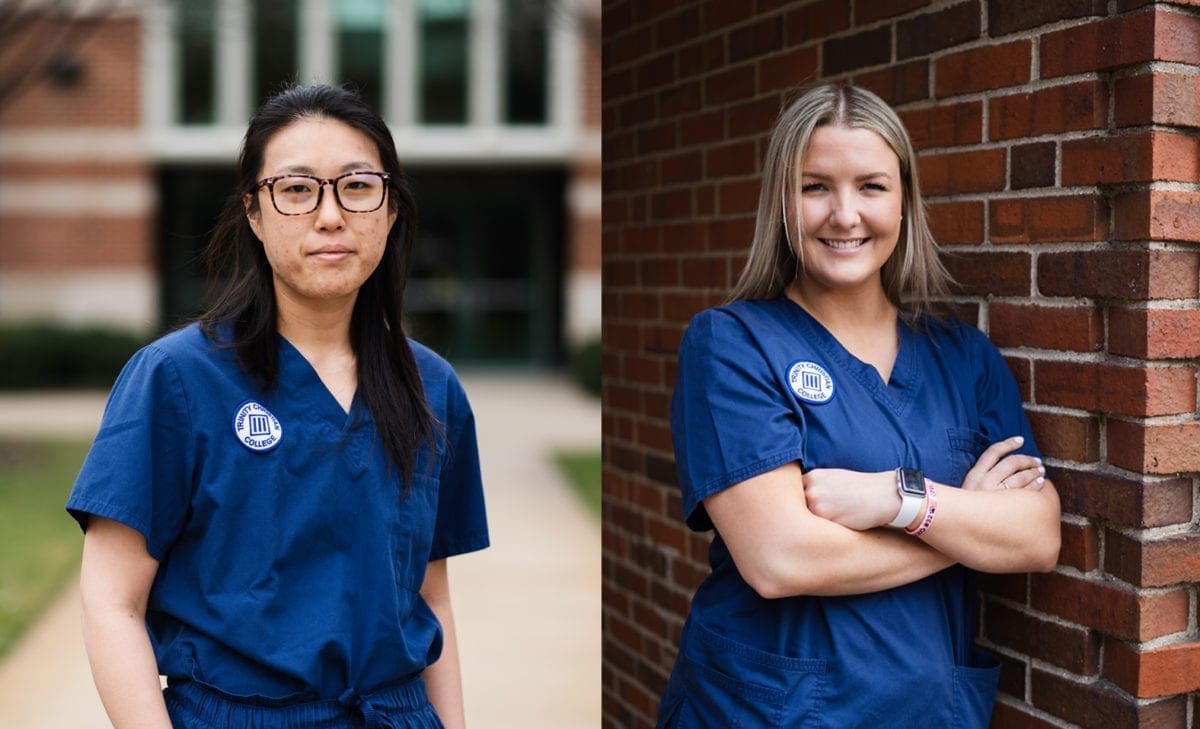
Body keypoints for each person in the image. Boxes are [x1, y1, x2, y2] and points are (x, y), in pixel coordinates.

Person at [67, 84, 488, 729]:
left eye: (356, 186)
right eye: (296, 190)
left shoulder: (432, 388)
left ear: (391, 209)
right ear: (254, 216)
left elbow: (432, 600)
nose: (330, 216)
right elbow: (110, 600)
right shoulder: (176, 380)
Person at [655, 83, 1061, 728]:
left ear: (904, 204)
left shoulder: (964, 357)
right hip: (771, 712)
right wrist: (966, 527)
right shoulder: (732, 343)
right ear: (782, 206)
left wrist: (896, 501)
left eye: (871, 186)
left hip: (931, 712)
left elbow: (1038, 536)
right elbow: (780, 560)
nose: (844, 215)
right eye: (815, 186)